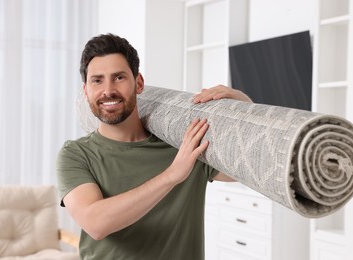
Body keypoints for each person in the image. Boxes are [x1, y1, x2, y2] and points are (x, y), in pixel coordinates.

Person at [56, 33, 252, 260]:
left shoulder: (185, 146)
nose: (108, 90)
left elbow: (246, 170)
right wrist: (172, 175)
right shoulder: (76, 155)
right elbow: (95, 223)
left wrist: (242, 103)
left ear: (138, 83)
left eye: (119, 77)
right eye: (97, 80)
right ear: (86, 90)